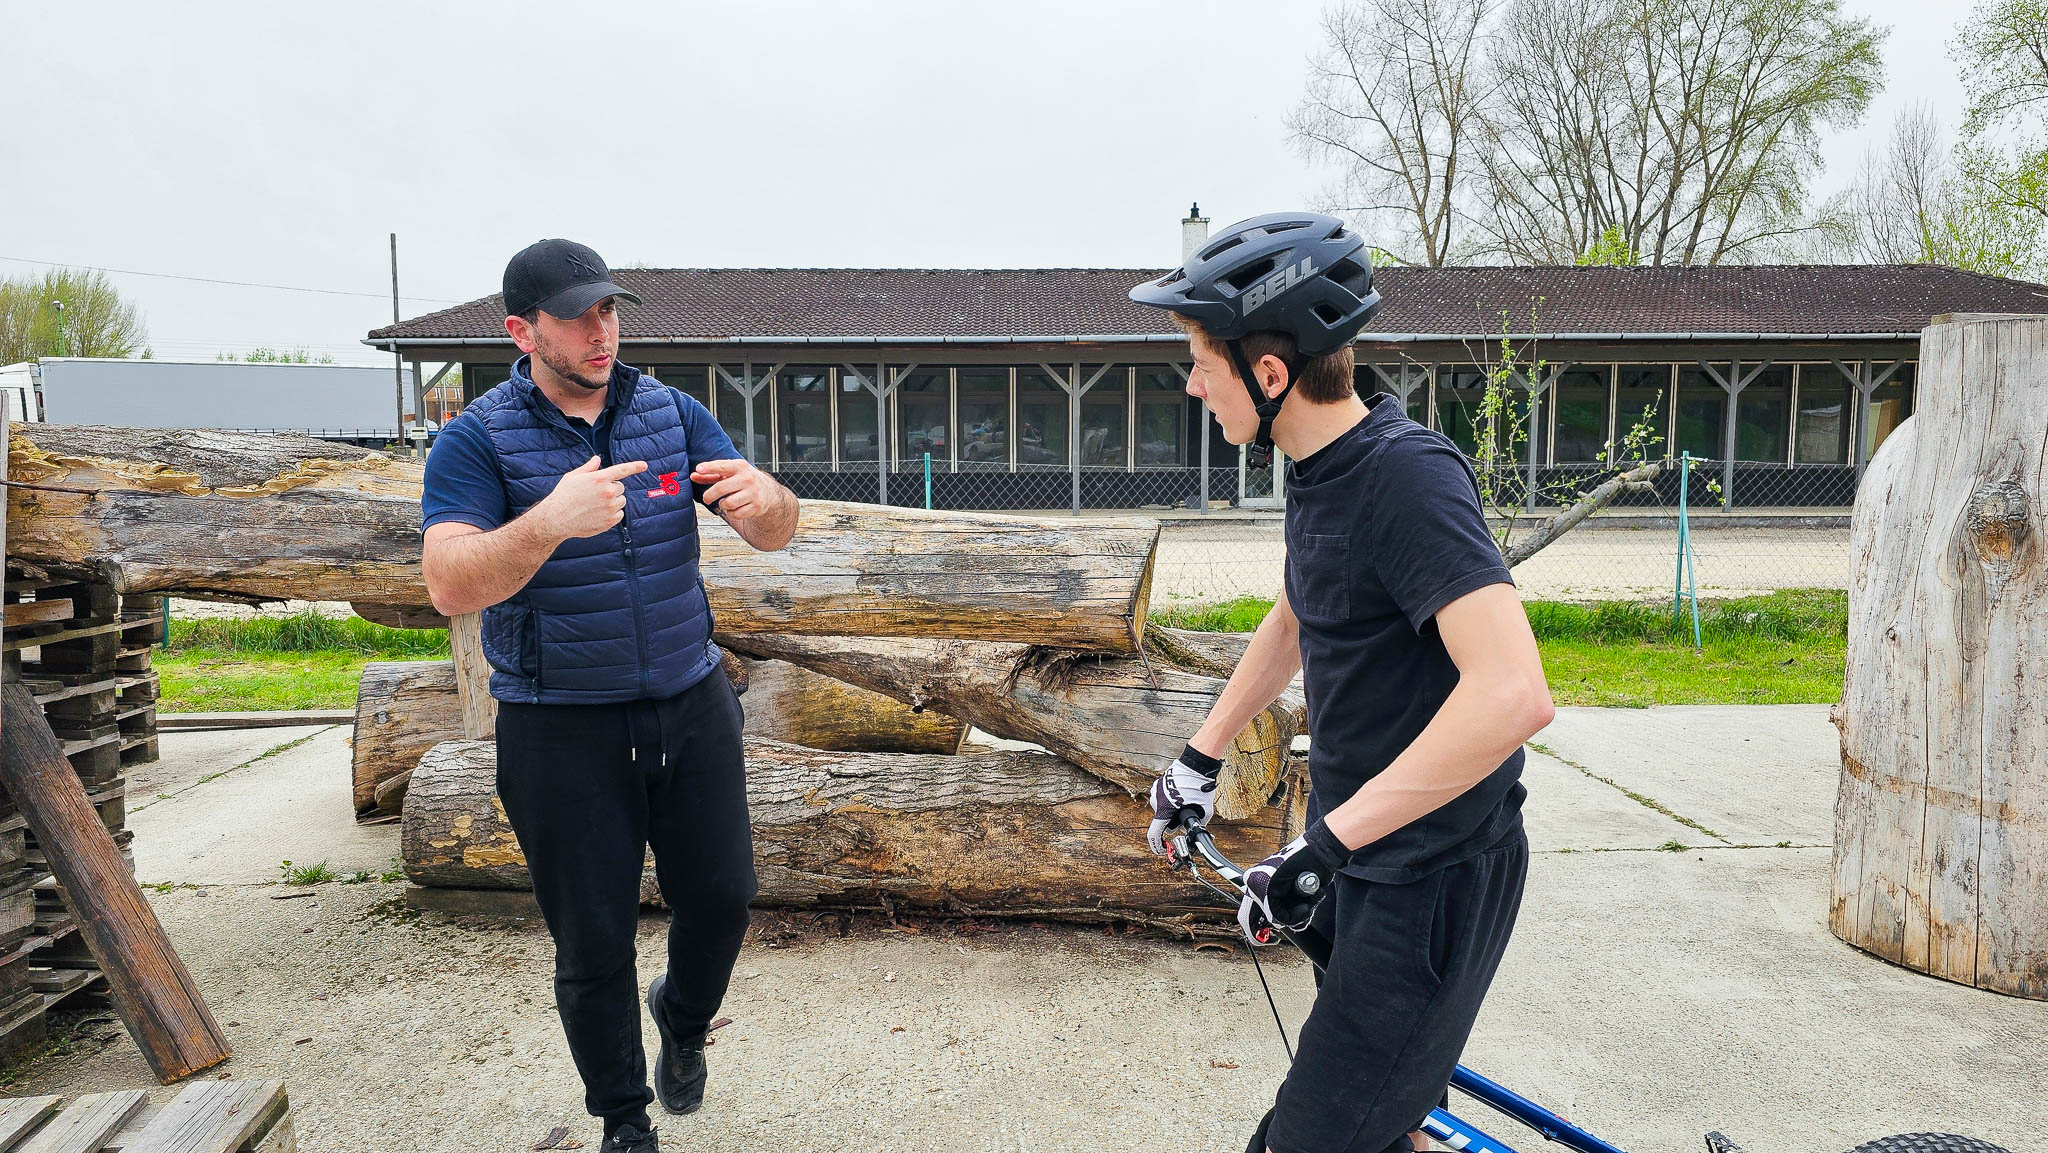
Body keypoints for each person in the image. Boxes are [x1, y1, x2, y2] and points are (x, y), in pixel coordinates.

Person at [1129, 213, 1554, 1153]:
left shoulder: (1407, 479)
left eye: (1200, 362)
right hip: (1365, 861)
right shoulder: (1320, 468)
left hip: (1431, 874)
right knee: (1384, 1127)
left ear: (1269, 374)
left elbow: (1514, 694)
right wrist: (1201, 756)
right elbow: (1298, 611)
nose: (1191, 385)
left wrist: (1323, 847)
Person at [420, 239, 799, 1153]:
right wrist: (549, 522)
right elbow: (448, 582)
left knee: (724, 897)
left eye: (609, 309)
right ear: (522, 332)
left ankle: (683, 1015)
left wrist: (768, 501)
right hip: (560, 726)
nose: (602, 331)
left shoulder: (669, 414)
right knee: (593, 940)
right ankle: (625, 1120)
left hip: (690, 701)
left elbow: (776, 529)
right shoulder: (476, 438)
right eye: (577, 316)